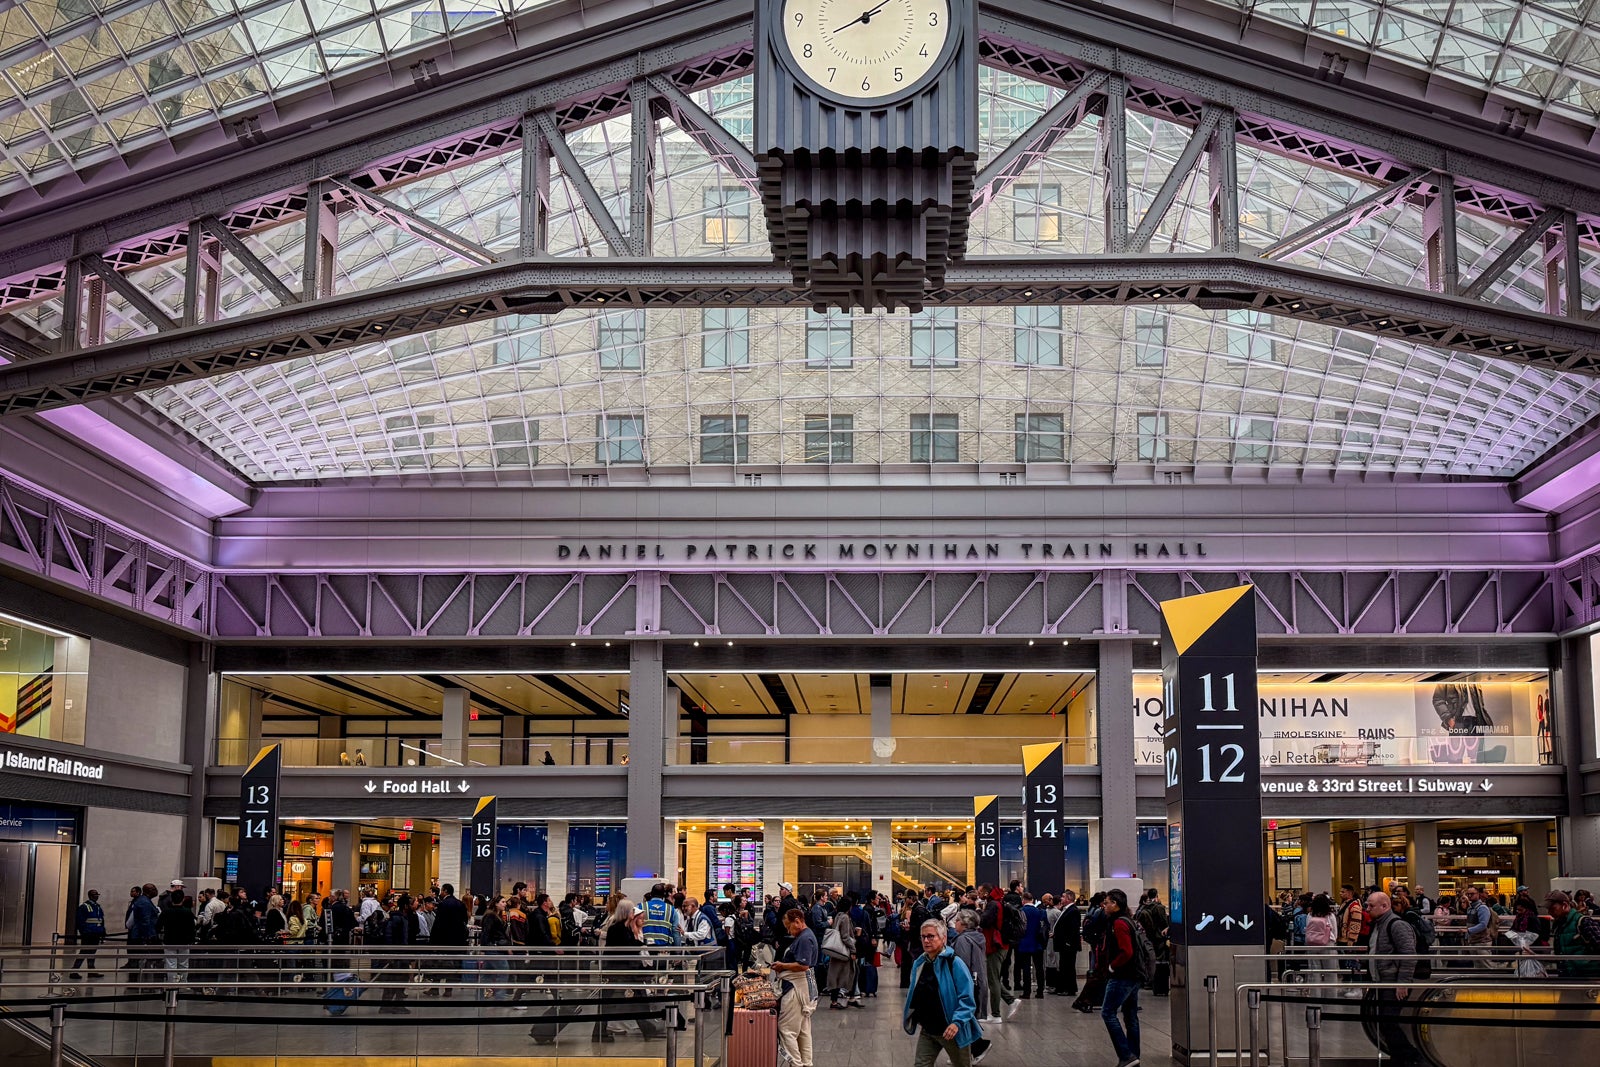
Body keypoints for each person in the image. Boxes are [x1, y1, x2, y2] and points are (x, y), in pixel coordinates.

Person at [902, 920, 985, 1067]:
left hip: (952, 1030)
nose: (926, 940)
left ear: (943, 938)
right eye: (923, 937)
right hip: (928, 1030)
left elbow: (967, 998)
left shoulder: (955, 963)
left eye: (931, 936)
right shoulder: (920, 963)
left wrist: (957, 1022)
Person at [1366, 892, 1420, 1067]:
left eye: (1371, 906)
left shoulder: (1397, 925)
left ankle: (1411, 1056)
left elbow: (1409, 955)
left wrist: (1402, 983)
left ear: (1384, 906)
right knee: (1385, 1022)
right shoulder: (1378, 925)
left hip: (1393, 982)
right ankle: (1400, 1058)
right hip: (1383, 981)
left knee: (1388, 1022)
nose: (1367, 909)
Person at [1093, 888, 1143, 1067]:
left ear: (1115, 904)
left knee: (1108, 1013)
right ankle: (1134, 1056)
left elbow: (1126, 951)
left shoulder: (1119, 924)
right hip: (1134, 975)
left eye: (1106, 903)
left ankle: (1126, 1055)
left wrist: (1112, 966)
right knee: (1130, 1016)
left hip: (1122, 976)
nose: (1104, 906)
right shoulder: (1127, 920)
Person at [772, 909, 818, 1067]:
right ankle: (806, 1063)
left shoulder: (804, 938)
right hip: (803, 988)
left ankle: (796, 1064)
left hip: (795, 989)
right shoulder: (806, 936)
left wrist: (782, 965)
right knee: (803, 1030)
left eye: (788, 926)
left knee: (786, 1029)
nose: (788, 931)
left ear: (797, 921)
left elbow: (803, 965)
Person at [978, 884, 1020, 1020]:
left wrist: (978, 910)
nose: (978, 894)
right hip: (1001, 944)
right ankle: (1010, 1000)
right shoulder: (999, 902)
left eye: (980, 892)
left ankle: (996, 1014)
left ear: (986, 893)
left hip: (995, 945)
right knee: (994, 978)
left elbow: (984, 921)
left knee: (993, 980)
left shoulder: (993, 905)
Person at [1544, 891, 1600, 978]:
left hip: (1588, 977)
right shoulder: (1559, 926)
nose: (1550, 912)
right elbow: (1561, 955)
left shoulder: (1584, 922)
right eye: (1548, 909)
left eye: (1553, 908)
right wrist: (1534, 955)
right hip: (1568, 976)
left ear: (1565, 905)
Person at [430, 883, 470, 996]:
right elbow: (465, 921)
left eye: (442, 890)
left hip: (443, 940)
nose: (441, 892)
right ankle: (449, 990)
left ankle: (435, 988)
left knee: (439, 964)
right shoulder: (460, 904)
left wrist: (433, 939)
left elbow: (438, 923)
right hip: (457, 940)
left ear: (446, 891)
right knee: (454, 965)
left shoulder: (443, 904)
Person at [378, 892, 412, 1013]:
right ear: (406, 906)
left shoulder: (401, 917)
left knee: (398, 980)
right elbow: (390, 936)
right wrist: (391, 953)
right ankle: (391, 1005)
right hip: (397, 955)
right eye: (411, 904)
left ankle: (390, 1005)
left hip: (400, 954)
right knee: (396, 980)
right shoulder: (397, 918)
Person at [158, 891, 198, 984]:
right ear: (183, 899)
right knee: (183, 964)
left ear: (171, 899)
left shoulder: (166, 911)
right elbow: (192, 928)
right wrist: (191, 939)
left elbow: (158, 926)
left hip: (169, 940)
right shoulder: (188, 912)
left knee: (170, 964)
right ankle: (183, 983)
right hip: (184, 941)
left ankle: (172, 983)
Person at [1013, 891, 1046, 999]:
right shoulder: (1040, 911)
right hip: (1037, 943)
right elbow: (1045, 926)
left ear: (1023, 900)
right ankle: (1040, 991)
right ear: (1032, 900)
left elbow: (1017, 927)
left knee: (1026, 968)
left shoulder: (1021, 911)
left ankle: (1026, 992)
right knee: (1039, 968)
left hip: (1024, 943)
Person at [69, 889, 106, 980]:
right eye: (94, 895)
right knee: (84, 952)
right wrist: (84, 932)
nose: (96, 896)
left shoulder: (97, 907)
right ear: (90, 896)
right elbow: (79, 921)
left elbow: (101, 920)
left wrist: (102, 931)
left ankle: (91, 971)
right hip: (88, 933)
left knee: (92, 953)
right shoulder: (84, 907)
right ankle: (74, 971)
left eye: (97, 894)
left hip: (96, 933)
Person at [1051, 889, 1082, 996]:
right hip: (1064, 944)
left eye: (1063, 897)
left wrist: (1068, 942)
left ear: (1068, 898)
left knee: (1068, 966)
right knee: (1063, 966)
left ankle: (1069, 989)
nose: (1061, 898)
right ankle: (1061, 987)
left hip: (1068, 945)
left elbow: (1073, 928)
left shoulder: (1073, 911)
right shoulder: (1066, 909)